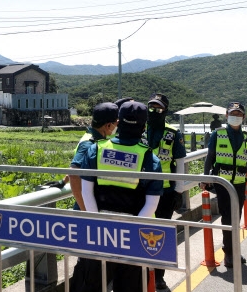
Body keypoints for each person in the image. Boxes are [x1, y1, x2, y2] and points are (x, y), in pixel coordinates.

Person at [79, 101, 163, 292]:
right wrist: (131, 233)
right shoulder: (150, 159)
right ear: (144, 126)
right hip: (132, 238)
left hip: (98, 234)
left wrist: (97, 224)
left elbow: (86, 192)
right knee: (130, 285)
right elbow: (151, 205)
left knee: (93, 283)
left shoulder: (96, 149)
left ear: (118, 122)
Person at [199, 102, 247, 268]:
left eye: (239, 114)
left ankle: (234, 249)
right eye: (233, 114)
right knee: (227, 217)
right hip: (222, 183)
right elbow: (209, 157)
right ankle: (229, 253)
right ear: (226, 115)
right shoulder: (218, 134)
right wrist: (206, 178)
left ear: (243, 117)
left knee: (236, 217)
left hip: (239, 183)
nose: (236, 117)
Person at [146, 93, 186, 291]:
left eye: (158, 108)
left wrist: (179, 190)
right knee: (141, 231)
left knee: (162, 233)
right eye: (151, 107)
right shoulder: (139, 129)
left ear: (165, 110)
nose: (154, 111)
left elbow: (179, 164)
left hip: (166, 191)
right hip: (142, 191)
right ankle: (144, 273)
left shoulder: (173, 133)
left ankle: (160, 275)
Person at [69, 102, 119, 211]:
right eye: (116, 123)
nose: (117, 126)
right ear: (109, 125)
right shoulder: (89, 144)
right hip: (88, 211)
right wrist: (85, 210)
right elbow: (73, 174)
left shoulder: (99, 140)